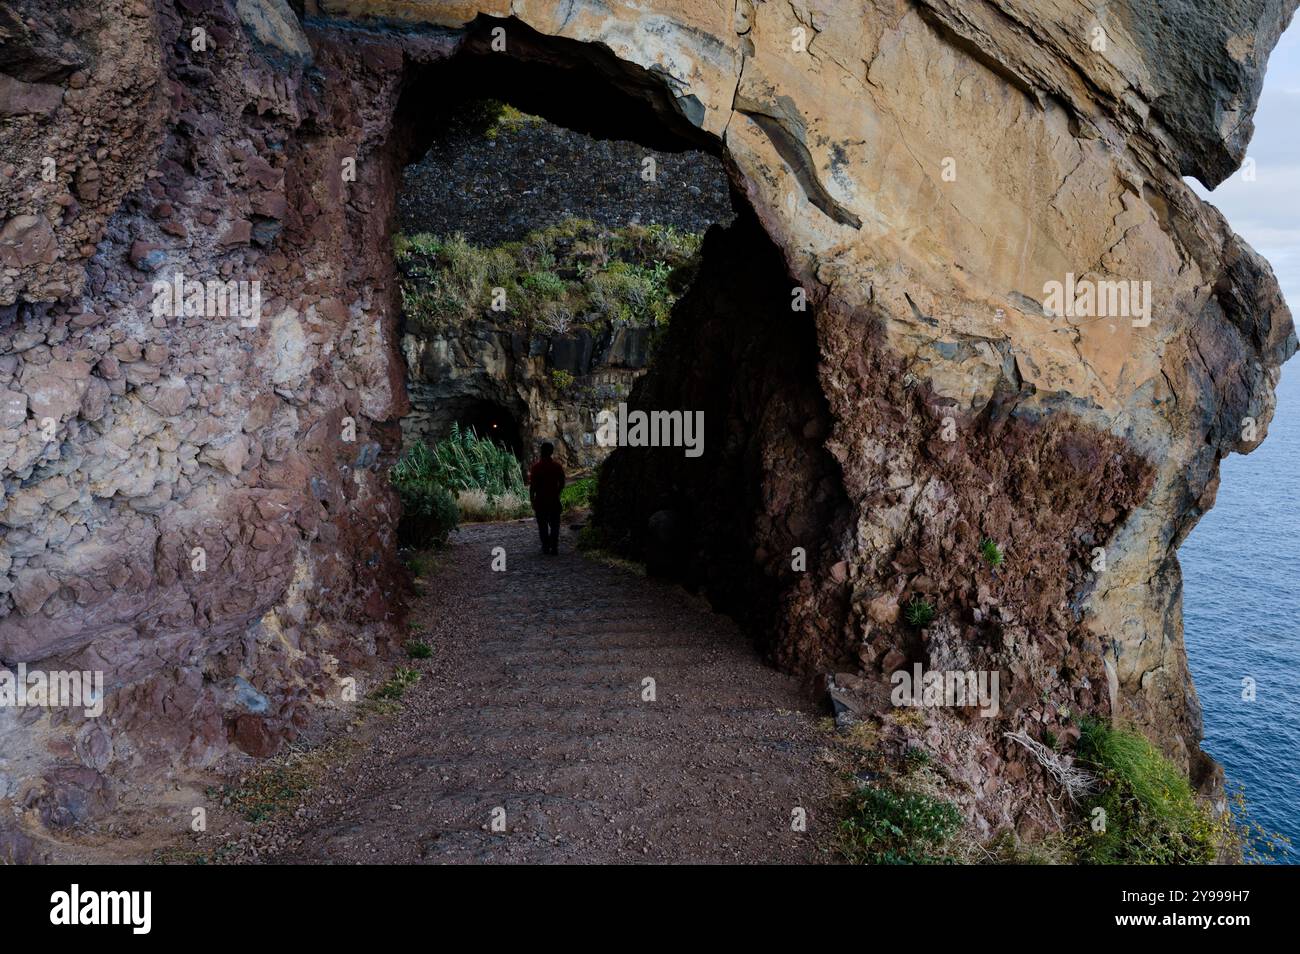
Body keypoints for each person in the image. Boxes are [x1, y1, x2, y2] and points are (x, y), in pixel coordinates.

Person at [527, 441, 565, 555]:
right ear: (552, 452)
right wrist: (557, 492)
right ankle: (554, 546)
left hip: (540, 500)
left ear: (541, 451)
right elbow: (562, 483)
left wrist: (532, 500)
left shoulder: (536, 467)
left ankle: (545, 545)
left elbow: (532, 486)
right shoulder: (557, 466)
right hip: (553, 499)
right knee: (555, 525)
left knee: (542, 525)